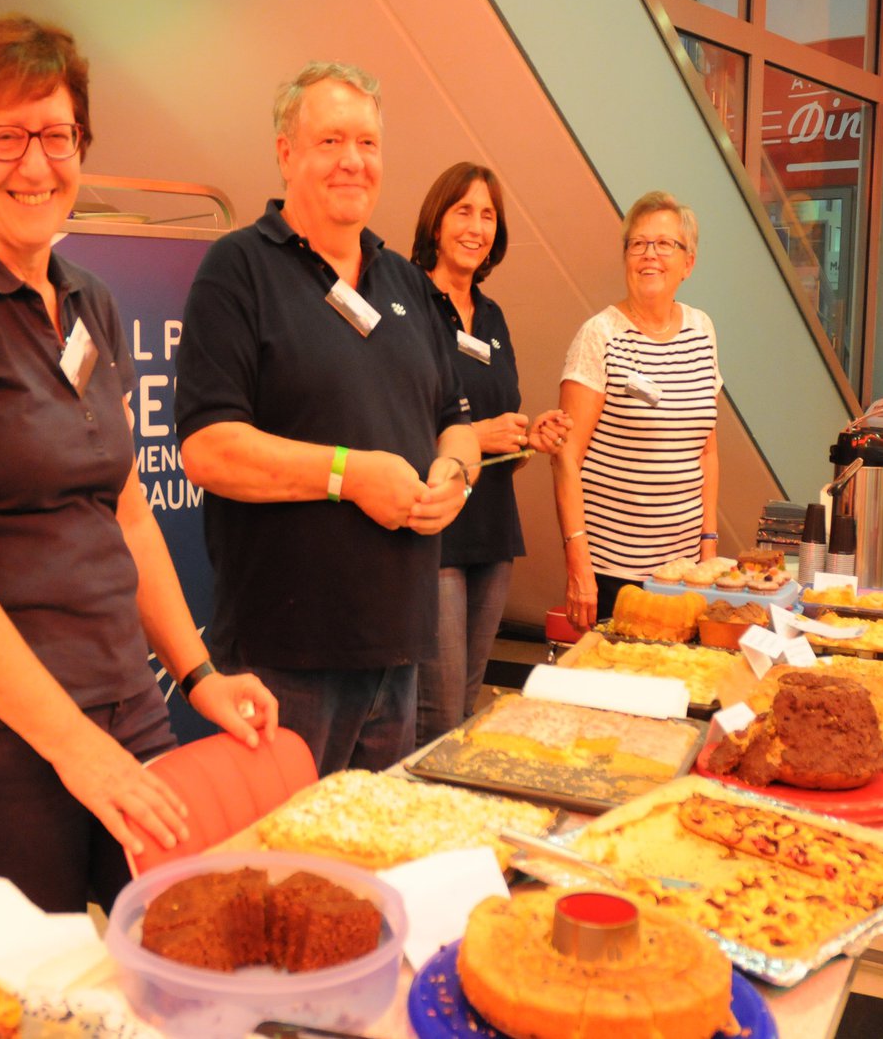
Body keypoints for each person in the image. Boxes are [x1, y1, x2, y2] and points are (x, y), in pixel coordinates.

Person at [0, 13, 277, 913]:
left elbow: (126, 512)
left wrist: (198, 674)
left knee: (171, 940)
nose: (36, 164)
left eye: (56, 136)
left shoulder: (91, 301)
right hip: (2, 731)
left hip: (126, 698)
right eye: (6, 137)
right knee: (42, 988)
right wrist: (72, 746)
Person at [175, 61, 479, 775]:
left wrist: (456, 476)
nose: (353, 161)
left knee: (367, 870)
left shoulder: (406, 280)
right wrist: (350, 474)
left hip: (397, 646)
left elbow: (455, 419)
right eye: (331, 141)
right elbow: (209, 450)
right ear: (286, 153)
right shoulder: (237, 269)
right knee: (285, 875)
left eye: (368, 143)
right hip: (284, 658)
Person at [409, 162, 570, 745]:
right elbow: (389, 423)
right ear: (437, 218)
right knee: (439, 714)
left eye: (488, 215)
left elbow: (506, 429)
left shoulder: (494, 316)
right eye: (464, 211)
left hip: (493, 529)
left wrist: (527, 437)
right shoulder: (406, 301)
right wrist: (475, 436)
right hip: (435, 531)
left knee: (469, 704)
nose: (476, 227)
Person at [553, 190, 722, 630]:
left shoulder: (702, 330)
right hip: (613, 575)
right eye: (639, 244)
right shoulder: (600, 336)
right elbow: (566, 458)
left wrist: (708, 545)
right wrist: (578, 563)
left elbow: (706, 451)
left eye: (665, 244)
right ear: (625, 256)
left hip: (684, 576)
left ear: (688, 263)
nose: (651, 256)